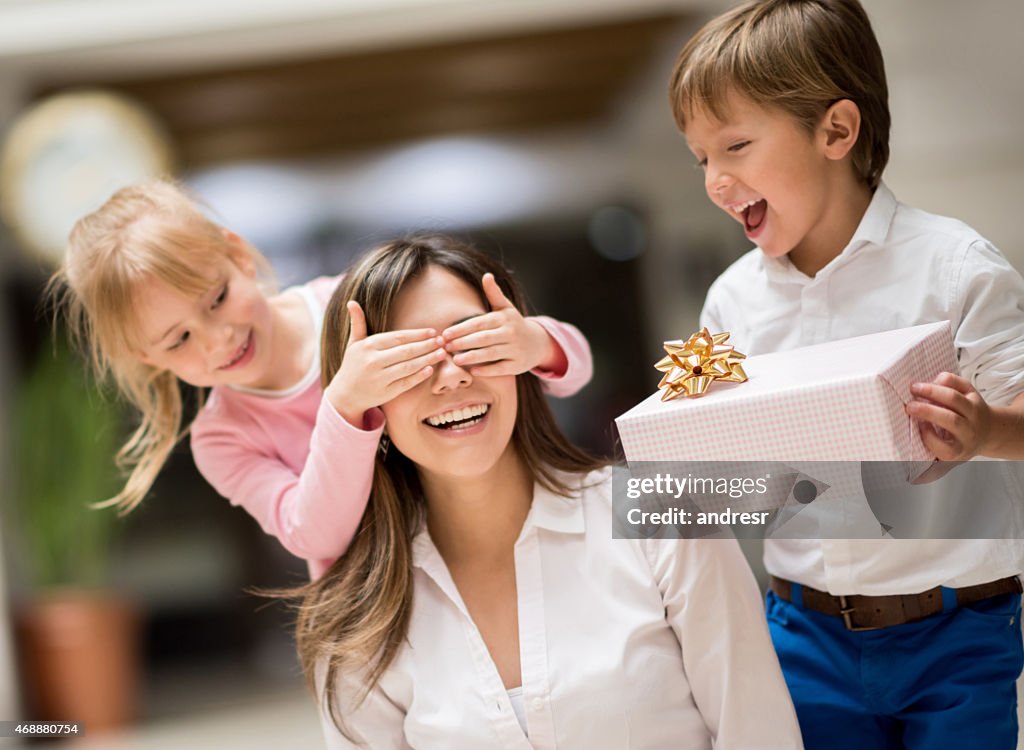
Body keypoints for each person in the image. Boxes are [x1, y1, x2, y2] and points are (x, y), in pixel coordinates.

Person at [669, 0, 1024, 747]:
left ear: (836, 130)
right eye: (701, 158)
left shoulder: (956, 266)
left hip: (958, 630)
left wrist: (986, 428)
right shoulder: (728, 299)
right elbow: (695, 445)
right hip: (805, 635)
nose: (713, 179)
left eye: (734, 145)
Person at [294, 235, 803, 749]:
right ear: (366, 407)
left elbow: (757, 729)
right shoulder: (356, 619)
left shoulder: (662, 511)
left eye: (474, 341)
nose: (450, 377)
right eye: (403, 361)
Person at [51, 180, 592, 578]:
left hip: (502, 535)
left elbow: (569, 375)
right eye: (178, 340)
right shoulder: (222, 440)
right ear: (145, 357)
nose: (217, 339)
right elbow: (315, 534)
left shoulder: (354, 302)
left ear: (237, 255)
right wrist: (345, 407)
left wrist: (534, 343)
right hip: (392, 591)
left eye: (216, 299)